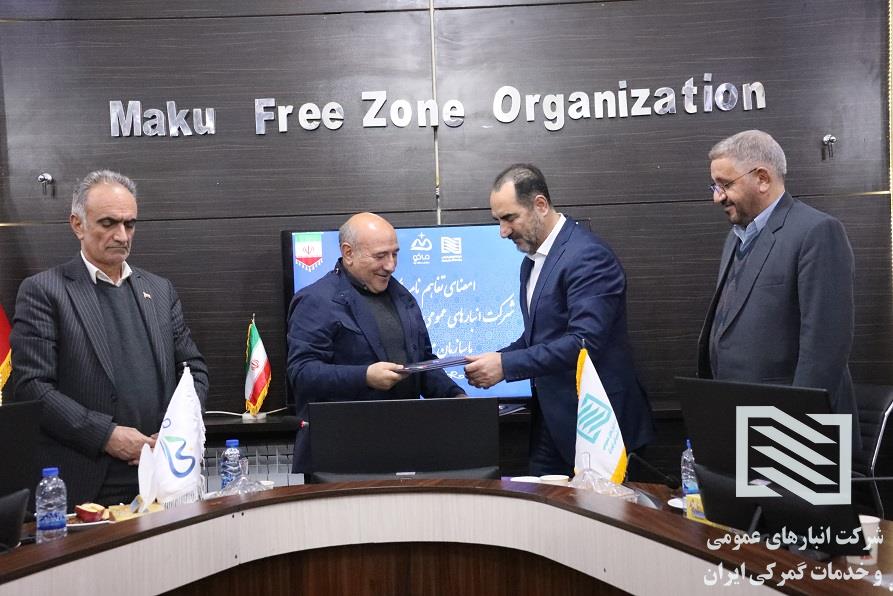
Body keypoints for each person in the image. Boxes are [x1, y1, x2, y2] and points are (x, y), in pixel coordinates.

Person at [9, 170, 208, 507]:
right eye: (108, 223)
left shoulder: (159, 291)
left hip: (164, 475)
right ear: (77, 224)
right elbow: (32, 387)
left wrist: (176, 432)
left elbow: (194, 371)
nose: (122, 235)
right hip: (86, 484)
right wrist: (106, 436)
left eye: (129, 224)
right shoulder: (45, 292)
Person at [464, 164, 654, 476]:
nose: (503, 231)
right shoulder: (531, 263)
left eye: (509, 218)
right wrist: (496, 359)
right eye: (498, 220)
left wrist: (506, 366)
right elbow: (538, 337)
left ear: (540, 205)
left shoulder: (588, 256)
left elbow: (584, 343)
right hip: (552, 423)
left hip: (599, 427)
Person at [698, 130, 859, 434]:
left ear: (762, 178)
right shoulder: (735, 238)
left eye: (725, 185)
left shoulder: (817, 232)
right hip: (739, 417)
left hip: (793, 429)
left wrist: (797, 431)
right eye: (715, 186)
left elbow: (825, 349)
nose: (717, 197)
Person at [286, 212, 465, 473]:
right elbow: (301, 373)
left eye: (395, 254)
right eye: (381, 256)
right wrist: (365, 376)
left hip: (403, 446)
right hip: (340, 453)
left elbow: (422, 362)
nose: (391, 265)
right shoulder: (316, 300)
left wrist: (455, 396)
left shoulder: (402, 296)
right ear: (348, 253)